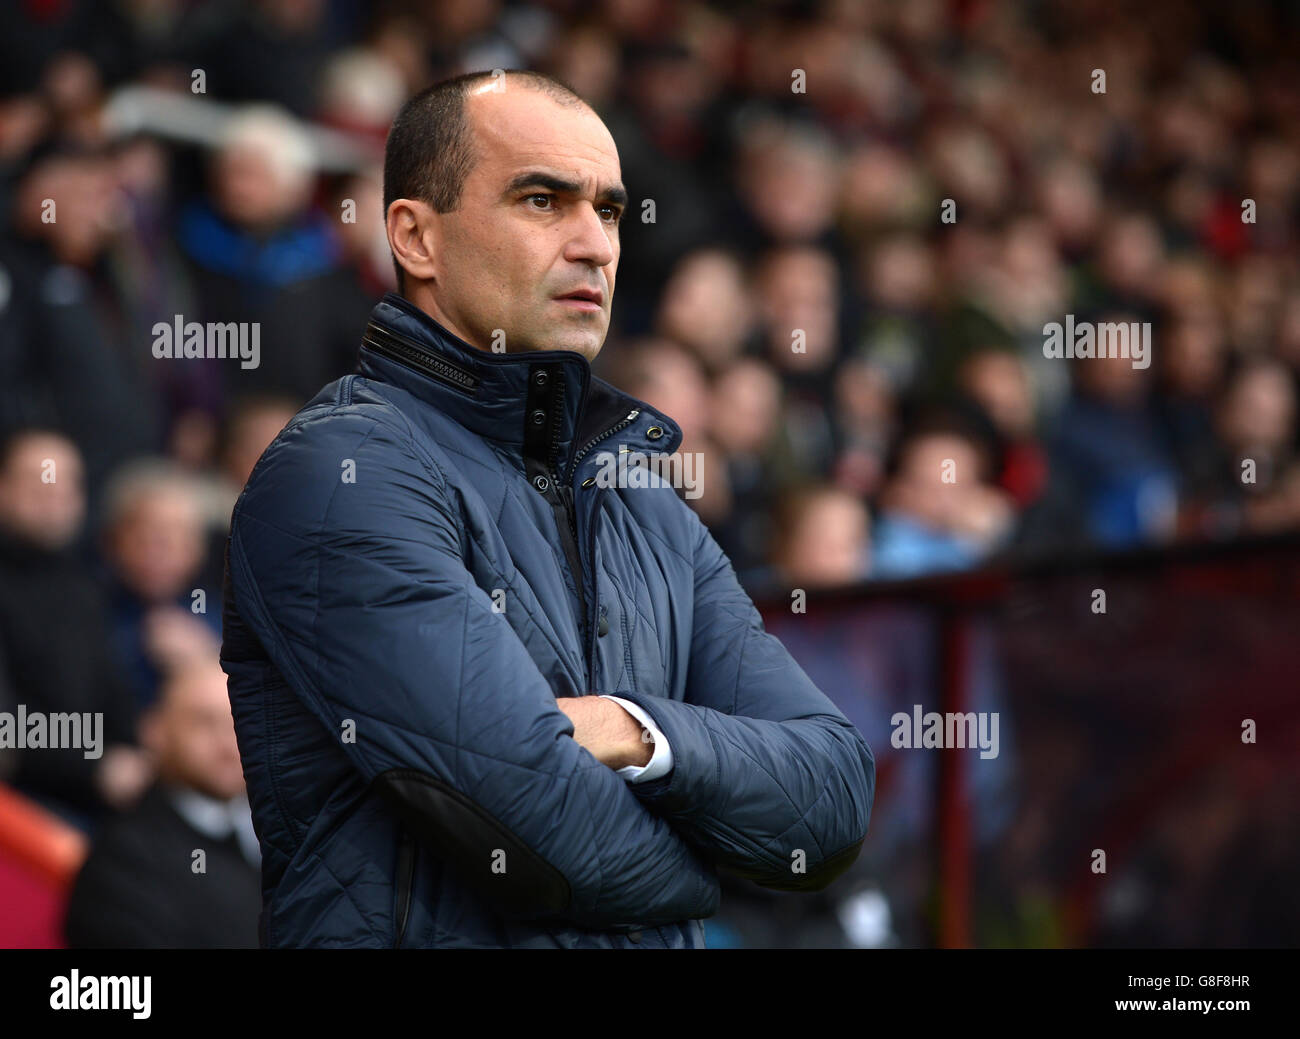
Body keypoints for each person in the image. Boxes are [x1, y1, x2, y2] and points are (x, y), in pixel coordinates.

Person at [220, 69, 875, 950]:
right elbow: (542, 830)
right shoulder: (340, 471)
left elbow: (830, 796)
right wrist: (705, 872)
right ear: (416, 237)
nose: (596, 245)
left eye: (607, 211)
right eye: (542, 201)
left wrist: (631, 731)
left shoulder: (640, 493)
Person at [63, 656, 260, 948]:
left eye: (240, 725)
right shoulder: (124, 861)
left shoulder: (283, 840)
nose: (228, 744)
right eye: (204, 722)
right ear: (155, 731)